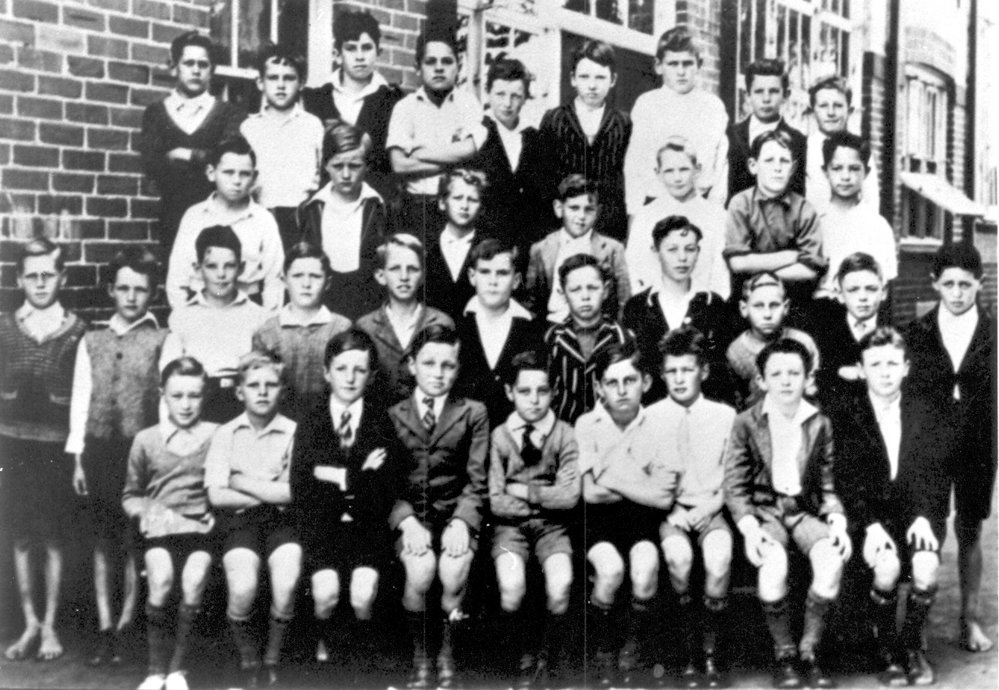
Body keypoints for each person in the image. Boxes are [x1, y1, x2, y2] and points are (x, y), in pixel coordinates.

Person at [830, 328, 955, 686]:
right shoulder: (847, 413)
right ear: (860, 368)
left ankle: (913, 647)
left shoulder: (925, 411)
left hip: (913, 514)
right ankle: (886, 649)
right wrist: (868, 525)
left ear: (905, 367)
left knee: (927, 565)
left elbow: (935, 475)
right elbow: (845, 479)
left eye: (892, 363)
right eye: (875, 364)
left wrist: (925, 517)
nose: (884, 372)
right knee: (886, 566)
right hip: (867, 518)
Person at [723, 338, 850, 689]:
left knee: (831, 560)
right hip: (766, 512)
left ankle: (810, 650)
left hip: (803, 511)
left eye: (794, 373)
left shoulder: (819, 422)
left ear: (808, 377)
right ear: (762, 380)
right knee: (773, 565)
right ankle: (785, 653)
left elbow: (827, 483)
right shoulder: (746, 422)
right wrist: (749, 528)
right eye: (776, 373)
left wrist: (836, 520)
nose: (785, 381)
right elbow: (735, 484)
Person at [67, 247, 167, 667]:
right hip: (99, 450)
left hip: (137, 451)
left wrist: (160, 456)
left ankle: (127, 626)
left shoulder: (162, 338)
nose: (131, 297)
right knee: (102, 540)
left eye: (139, 289)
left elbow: (165, 402)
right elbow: (80, 398)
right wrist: (76, 456)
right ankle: (104, 627)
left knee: (132, 540)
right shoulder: (92, 339)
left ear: (151, 293)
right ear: (111, 289)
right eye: (123, 288)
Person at [290, 330, 401, 684]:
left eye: (359, 370)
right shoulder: (312, 421)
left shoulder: (382, 421)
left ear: (370, 375)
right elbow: (302, 485)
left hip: (367, 527)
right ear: (327, 372)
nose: (350, 378)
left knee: (363, 592)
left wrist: (333, 474)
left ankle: (359, 663)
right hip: (323, 527)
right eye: (341, 369)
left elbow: (384, 488)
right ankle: (329, 657)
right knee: (325, 593)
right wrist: (358, 473)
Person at [904, 242, 996, 654]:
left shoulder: (994, 331)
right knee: (930, 528)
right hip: (931, 445)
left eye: (965, 284)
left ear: (980, 283)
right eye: (949, 284)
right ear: (935, 284)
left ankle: (969, 619)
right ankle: (918, 620)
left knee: (970, 528)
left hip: (978, 443)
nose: (957, 293)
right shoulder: (917, 332)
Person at [387, 325, 489, 690]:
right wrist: (406, 522)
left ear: (458, 368)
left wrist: (463, 521)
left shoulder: (472, 413)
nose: (438, 372)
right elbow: (387, 483)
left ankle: (447, 651)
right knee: (420, 569)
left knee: (454, 569)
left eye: (448, 365)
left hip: (453, 515)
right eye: (429, 363)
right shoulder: (392, 413)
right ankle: (421, 654)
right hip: (412, 517)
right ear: (412, 365)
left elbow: (477, 481)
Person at [0, 237, 87, 663]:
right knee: (19, 536)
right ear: (19, 279)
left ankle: (51, 623)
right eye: (31, 275)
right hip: (11, 446)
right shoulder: (4, 327)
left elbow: (83, 400)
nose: (39, 282)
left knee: (53, 536)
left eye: (48, 274)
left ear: (62, 277)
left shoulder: (77, 331)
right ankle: (30, 622)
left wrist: (76, 455)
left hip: (55, 449)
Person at [576, 340, 679, 686]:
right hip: (598, 523)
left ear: (646, 383)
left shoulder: (660, 425)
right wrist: (640, 479)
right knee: (610, 569)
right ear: (598, 387)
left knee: (646, 566)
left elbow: (663, 498)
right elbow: (590, 492)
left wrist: (609, 475)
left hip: (642, 521)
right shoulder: (586, 424)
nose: (621, 390)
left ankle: (633, 644)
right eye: (612, 382)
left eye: (630, 381)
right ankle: (603, 646)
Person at [122, 357, 218, 690]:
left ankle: (178, 670)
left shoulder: (216, 435)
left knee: (193, 580)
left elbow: (222, 487)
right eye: (177, 396)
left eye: (194, 395)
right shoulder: (146, 439)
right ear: (162, 394)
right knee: (161, 579)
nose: (186, 404)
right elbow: (130, 495)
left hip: (201, 531)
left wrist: (213, 512)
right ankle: (154, 670)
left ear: (204, 395)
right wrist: (148, 513)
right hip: (160, 530)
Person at [205, 352, 300, 688]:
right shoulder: (226, 434)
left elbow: (293, 493)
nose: (262, 392)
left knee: (287, 581)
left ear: (282, 390)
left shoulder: (293, 432)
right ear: (239, 391)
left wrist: (241, 480)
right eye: (254, 385)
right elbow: (217, 495)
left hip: (282, 522)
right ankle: (248, 657)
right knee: (243, 586)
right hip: (238, 523)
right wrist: (268, 488)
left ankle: (272, 657)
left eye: (271, 385)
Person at [650, 326, 736, 688]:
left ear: (703, 371)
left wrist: (711, 506)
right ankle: (688, 647)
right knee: (678, 559)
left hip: (713, 506)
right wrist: (672, 511)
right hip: (670, 510)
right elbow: (648, 476)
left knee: (718, 557)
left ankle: (711, 650)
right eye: (672, 371)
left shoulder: (725, 415)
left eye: (687, 370)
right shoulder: (650, 416)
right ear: (662, 374)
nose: (680, 378)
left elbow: (734, 477)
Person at [488, 351, 580, 687]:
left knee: (561, 585)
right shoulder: (500, 436)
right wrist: (546, 500)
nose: (535, 400)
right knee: (511, 588)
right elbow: (496, 501)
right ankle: (523, 656)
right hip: (509, 531)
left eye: (542, 391)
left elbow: (570, 495)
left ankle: (547, 658)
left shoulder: (564, 433)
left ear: (553, 392)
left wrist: (526, 494)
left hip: (552, 530)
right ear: (510, 393)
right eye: (525, 392)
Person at [140, 31, 244, 251]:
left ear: (211, 70)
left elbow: (227, 161)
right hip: (172, 215)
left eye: (203, 64)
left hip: (217, 212)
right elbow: (151, 164)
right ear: (175, 67)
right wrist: (204, 156)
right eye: (189, 63)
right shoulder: (156, 113)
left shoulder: (227, 113)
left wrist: (182, 154)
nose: (196, 70)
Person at [161, 225, 269, 423]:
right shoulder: (182, 317)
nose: (221, 275)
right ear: (197, 268)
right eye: (211, 266)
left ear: (241, 268)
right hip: (196, 405)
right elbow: (171, 377)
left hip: (243, 404)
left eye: (229, 266)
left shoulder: (258, 317)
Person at [623, 215, 734, 405]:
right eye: (672, 250)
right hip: (652, 411)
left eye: (689, 249)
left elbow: (719, 370)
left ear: (698, 252)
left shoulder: (714, 305)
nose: (682, 258)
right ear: (656, 251)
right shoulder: (637, 306)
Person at [166, 137, 285, 313]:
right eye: (228, 172)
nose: (237, 181)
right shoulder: (194, 216)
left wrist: (266, 325)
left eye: (244, 174)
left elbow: (274, 280)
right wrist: (185, 318)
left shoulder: (263, 220)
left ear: (254, 177)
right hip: (200, 308)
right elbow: (177, 278)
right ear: (211, 173)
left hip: (247, 309)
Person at [386, 27, 487, 234]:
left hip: (459, 208)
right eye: (431, 62)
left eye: (446, 61)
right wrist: (452, 160)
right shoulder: (405, 107)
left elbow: (469, 150)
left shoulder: (469, 104)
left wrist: (420, 153)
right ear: (418, 67)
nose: (439, 68)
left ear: (458, 66)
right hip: (416, 208)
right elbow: (400, 165)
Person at [623, 27, 729, 213]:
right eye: (673, 64)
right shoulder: (647, 104)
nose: (681, 72)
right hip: (655, 204)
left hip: (700, 205)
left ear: (699, 64)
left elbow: (720, 166)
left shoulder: (713, 107)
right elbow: (635, 165)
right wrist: (635, 213)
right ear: (658, 66)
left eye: (687, 63)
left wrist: (714, 211)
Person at [302, 9, 403, 198]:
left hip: (375, 206)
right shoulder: (316, 100)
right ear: (337, 53)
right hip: (326, 205)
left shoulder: (393, 101)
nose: (359, 56)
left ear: (378, 51)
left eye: (366, 48)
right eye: (351, 48)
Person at [538, 40, 631, 242]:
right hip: (563, 227)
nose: (592, 85)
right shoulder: (554, 119)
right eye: (584, 76)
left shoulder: (623, 123)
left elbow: (627, 179)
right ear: (572, 78)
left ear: (613, 79)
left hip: (607, 228)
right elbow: (542, 181)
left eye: (600, 77)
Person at [723, 129, 825, 309]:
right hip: (748, 299)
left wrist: (757, 269)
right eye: (769, 160)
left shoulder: (804, 209)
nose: (777, 168)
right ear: (753, 166)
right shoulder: (740, 204)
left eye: (784, 161)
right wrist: (791, 256)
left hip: (792, 301)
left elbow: (809, 270)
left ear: (792, 168)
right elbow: (738, 263)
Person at [251, 242, 353, 420]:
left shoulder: (342, 328)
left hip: (329, 426)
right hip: (280, 424)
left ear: (327, 283)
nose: (306, 284)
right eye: (298, 276)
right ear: (284, 280)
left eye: (315, 276)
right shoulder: (267, 333)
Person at [299, 122, 386, 320]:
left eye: (354, 166)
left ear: (367, 166)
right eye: (338, 166)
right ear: (325, 165)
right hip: (323, 307)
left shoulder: (381, 208)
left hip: (369, 307)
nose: (346, 175)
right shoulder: (310, 209)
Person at [240, 44, 324, 250]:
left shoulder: (312, 125)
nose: (280, 85)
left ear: (301, 83)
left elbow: (321, 173)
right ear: (260, 82)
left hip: (302, 220)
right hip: (259, 215)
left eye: (288, 78)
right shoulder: (249, 127)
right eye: (273, 78)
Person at [627, 137, 730, 298]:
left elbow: (721, 275)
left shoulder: (717, 216)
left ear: (697, 169)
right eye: (669, 171)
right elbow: (635, 269)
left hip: (703, 308)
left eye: (684, 169)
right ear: (658, 173)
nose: (677, 178)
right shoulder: (645, 216)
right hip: (656, 308)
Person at [357, 233, 456, 403]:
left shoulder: (441, 322)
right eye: (395, 269)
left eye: (412, 269)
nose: (404, 277)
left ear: (422, 276)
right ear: (381, 276)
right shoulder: (365, 327)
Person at [456, 238, 543, 427]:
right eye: (485, 272)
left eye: (502, 273)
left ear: (516, 281)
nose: (493, 281)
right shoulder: (458, 327)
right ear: (472, 276)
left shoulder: (533, 329)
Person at [525, 174, 631, 324]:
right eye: (574, 208)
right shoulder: (541, 249)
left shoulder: (612, 249)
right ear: (559, 208)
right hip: (553, 325)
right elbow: (532, 301)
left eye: (589, 210)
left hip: (598, 327)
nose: (581, 216)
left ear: (598, 212)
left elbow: (624, 301)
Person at [470, 56, 548, 255]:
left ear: (524, 97)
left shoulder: (534, 138)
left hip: (524, 247)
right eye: (500, 94)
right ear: (487, 94)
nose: (507, 103)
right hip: (482, 245)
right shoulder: (475, 135)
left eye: (515, 96)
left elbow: (539, 201)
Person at [545, 253, 633, 424]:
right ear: (563, 294)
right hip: (564, 432)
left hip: (610, 429)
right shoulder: (553, 338)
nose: (585, 296)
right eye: (575, 289)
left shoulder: (621, 336)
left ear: (606, 290)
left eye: (592, 288)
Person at [813, 131, 896, 299]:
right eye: (837, 168)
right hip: (819, 313)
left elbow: (884, 286)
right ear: (825, 171)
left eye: (854, 169)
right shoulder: (813, 222)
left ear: (866, 172)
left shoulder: (877, 227)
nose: (845, 177)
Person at [726, 273, 819, 410]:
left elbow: (813, 390)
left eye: (774, 305)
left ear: (786, 307)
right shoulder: (736, 352)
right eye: (758, 306)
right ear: (744, 309)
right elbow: (738, 402)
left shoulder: (803, 341)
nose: (767, 314)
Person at [722, 59, 806, 204]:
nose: (766, 99)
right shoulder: (730, 135)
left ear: (786, 95)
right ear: (747, 95)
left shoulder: (798, 141)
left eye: (773, 91)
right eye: (759, 91)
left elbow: (799, 192)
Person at [811, 253, 889, 407]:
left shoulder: (895, 336)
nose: (862, 297)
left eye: (871, 289)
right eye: (853, 290)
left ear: (884, 292)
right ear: (840, 294)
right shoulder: (825, 336)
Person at [804, 75, 881, 213]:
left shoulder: (859, 149)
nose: (831, 113)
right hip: (812, 228)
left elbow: (871, 201)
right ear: (813, 110)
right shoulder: (804, 149)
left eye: (838, 106)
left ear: (849, 110)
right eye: (823, 106)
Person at [423, 168, 491, 322]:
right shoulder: (427, 246)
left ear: (481, 207)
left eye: (473, 200)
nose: (464, 206)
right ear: (442, 202)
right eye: (458, 198)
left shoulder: (488, 247)